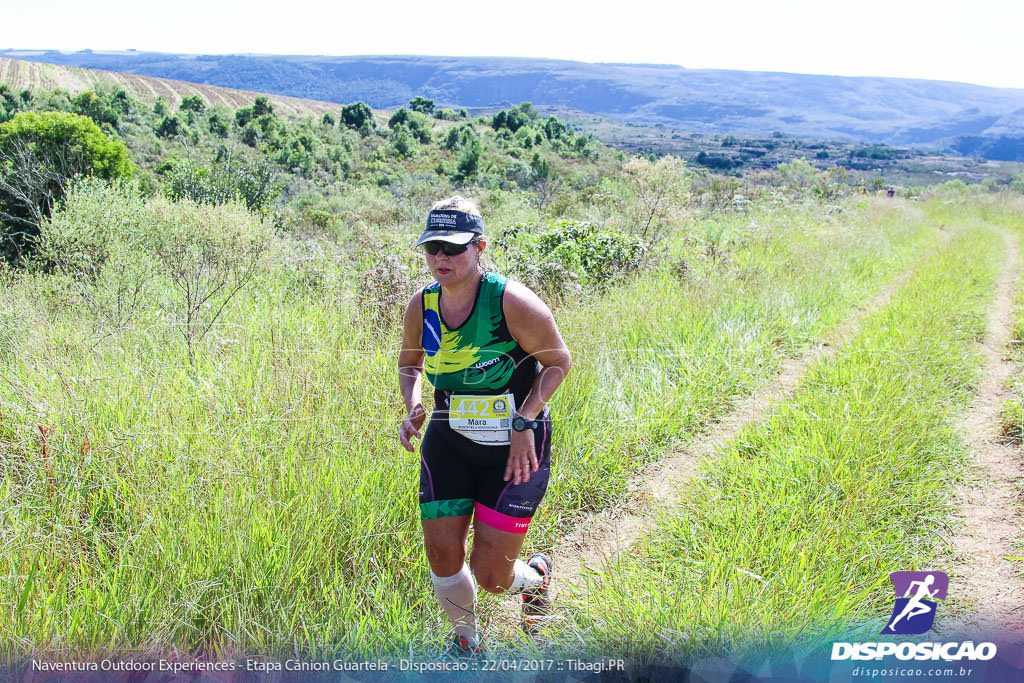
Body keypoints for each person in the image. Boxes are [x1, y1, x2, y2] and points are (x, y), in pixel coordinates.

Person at [398, 196, 572, 658]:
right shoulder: (423, 304)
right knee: (441, 554)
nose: (440, 258)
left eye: (452, 248)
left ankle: (535, 578)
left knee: (492, 575)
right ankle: (467, 643)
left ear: (479, 247)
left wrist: (523, 419)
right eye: (432, 247)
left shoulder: (511, 301)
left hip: (515, 448)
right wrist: (413, 403)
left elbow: (558, 363)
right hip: (448, 438)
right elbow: (410, 363)